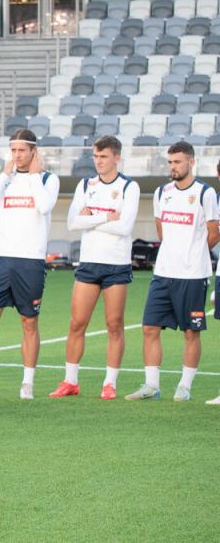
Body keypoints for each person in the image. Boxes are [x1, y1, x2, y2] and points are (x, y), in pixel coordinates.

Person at [0, 128, 60, 400]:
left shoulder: (47, 180)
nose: (17, 155)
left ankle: (27, 384)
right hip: (2, 258)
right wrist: (3, 175)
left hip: (30, 260)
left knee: (28, 322)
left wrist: (33, 175)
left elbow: (43, 206)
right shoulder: (6, 179)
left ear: (34, 151)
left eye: (22, 150)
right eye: (13, 150)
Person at [127, 142, 218, 402]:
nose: (173, 167)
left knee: (191, 332)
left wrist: (195, 253)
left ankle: (185, 386)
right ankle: (151, 385)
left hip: (192, 275)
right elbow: (161, 228)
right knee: (150, 327)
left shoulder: (205, 193)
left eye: (177, 162)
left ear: (191, 162)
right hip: (164, 273)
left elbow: (214, 232)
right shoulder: (161, 192)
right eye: (170, 162)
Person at [51, 135, 139, 400]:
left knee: (114, 325)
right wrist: (104, 217)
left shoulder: (129, 187)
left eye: (103, 157)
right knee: (77, 323)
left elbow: (125, 228)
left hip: (116, 265)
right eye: (96, 157)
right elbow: (72, 223)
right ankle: (70, 381)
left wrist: (90, 218)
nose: (99, 162)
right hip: (89, 263)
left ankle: (109, 383)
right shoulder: (85, 185)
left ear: (116, 158)